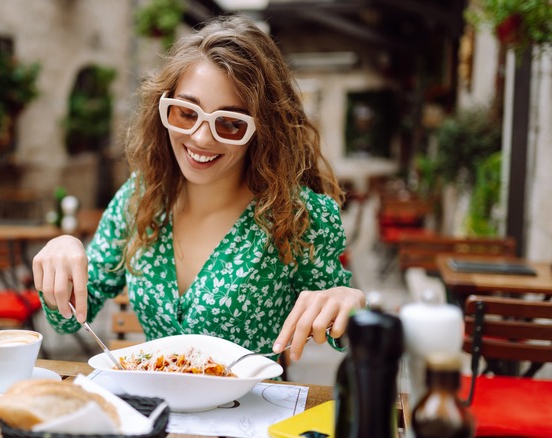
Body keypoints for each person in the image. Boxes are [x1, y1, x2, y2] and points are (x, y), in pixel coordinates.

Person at [32, 14, 364, 362]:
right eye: (186, 113)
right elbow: (67, 319)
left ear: (263, 131)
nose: (201, 138)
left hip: (250, 413)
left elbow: (341, 332)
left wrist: (350, 303)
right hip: (154, 412)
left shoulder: (297, 217)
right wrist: (62, 249)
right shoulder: (140, 198)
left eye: (231, 123)